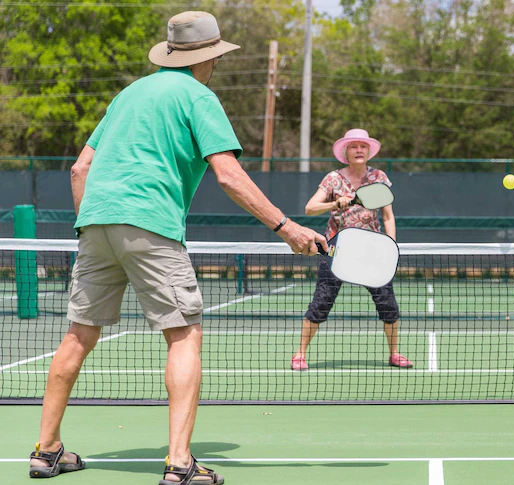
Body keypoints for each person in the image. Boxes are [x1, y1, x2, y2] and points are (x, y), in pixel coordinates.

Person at [27, 11, 326, 483]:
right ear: (207, 59)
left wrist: (90, 225)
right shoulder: (199, 96)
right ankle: (181, 462)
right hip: (151, 224)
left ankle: (46, 451)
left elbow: (79, 170)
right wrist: (286, 226)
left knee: (78, 335)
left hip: (95, 223)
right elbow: (227, 174)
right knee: (184, 335)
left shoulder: (128, 94)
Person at [290, 129, 413, 371]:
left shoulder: (378, 177)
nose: (359, 150)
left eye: (363, 146)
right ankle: (300, 354)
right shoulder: (333, 179)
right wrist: (336, 203)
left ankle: (394, 354)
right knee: (321, 302)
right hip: (336, 251)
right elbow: (309, 208)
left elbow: (388, 217)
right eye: (354, 146)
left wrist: (391, 247)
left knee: (388, 304)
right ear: (345, 152)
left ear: (368, 151)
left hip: (373, 252)